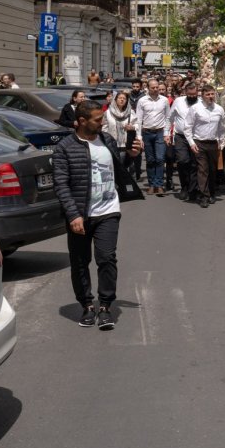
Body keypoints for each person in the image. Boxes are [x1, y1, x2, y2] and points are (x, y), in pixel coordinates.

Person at [52, 100, 144, 330]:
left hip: (108, 210)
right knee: (80, 262)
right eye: (97, 120)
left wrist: (131, 156)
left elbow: (118, 166)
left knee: (106, 258)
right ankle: (86, 305)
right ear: (82, 121)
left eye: (102, 118)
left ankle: (104, 306)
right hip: (80, 214)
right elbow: (61, 184)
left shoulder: (107, 140)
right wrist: (73, 215)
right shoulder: (65, 147)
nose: (102, 123)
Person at [189, 84, 225, 208]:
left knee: (212, 169)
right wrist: (191, 143)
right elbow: (187, 127)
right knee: (202, 169)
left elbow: (221, 127)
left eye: (212, 94)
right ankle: (204, 196)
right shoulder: (195, 108)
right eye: (208, 94)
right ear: (202, 95)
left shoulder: (219, 109)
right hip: (199, 142)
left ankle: (211, 192)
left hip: (213, 143)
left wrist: (222, 141)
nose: (210, 97)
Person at [134, 79, 170, 196]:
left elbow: (167, 118)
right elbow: (138, 119)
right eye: (153, 88)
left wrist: (166, 134)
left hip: (160, 132)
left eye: (157, 88)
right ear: (148, 88)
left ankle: (159, 185)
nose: (155, 90)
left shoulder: (164, 100)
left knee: (160, 158)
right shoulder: (142, 101)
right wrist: (139, 137)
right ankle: (151, 185)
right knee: (150, 160)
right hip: (146, 133)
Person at [168, 82, 200, 201]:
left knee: (194, 163)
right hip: (181, 137)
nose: (192, 96)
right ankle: (184, 187)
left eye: (194, 94)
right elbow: (170, 117)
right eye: (189, 94)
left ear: (197, 92)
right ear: (185, 92)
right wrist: (167, 133)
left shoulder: (201, 102)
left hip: (195, 137)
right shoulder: (178, 101)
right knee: (182, 161)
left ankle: (193, 189)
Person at [102, 91, 137, 171]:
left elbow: (137, 125)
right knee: (113, 166)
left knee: (122, 165)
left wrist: (132, 127)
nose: (122, 100)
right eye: (120, 98)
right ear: (115, 99)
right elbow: (104, 128)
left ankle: (122, 181)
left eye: (124, 98)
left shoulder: (131, 112)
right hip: (112, 143)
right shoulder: (107, 113)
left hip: (124, 144)